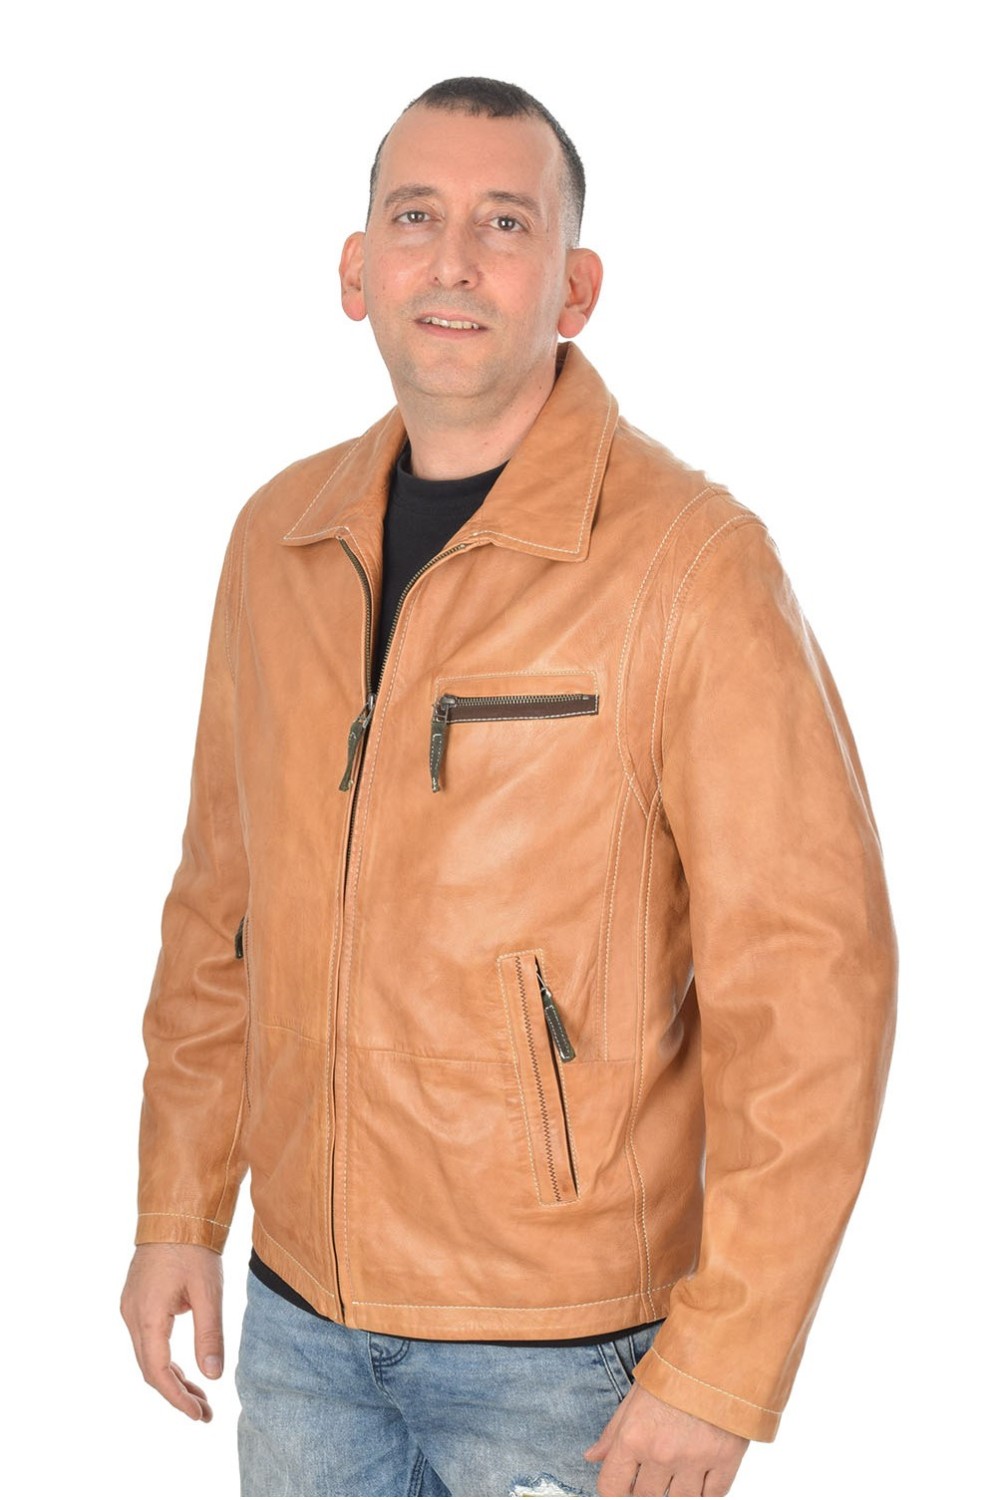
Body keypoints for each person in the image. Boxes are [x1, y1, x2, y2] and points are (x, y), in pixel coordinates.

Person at [120, 77, 897, 1498]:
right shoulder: (277, 541)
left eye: (505, 224)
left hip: (567, 1358)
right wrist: (179, 1206)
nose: (454, 261)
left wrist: (724, 1361)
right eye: (415, 217)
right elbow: (219, 914)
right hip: (300, 1334)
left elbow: (810, 985)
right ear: (356, 270)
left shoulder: (689, 563)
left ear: (575, 288)